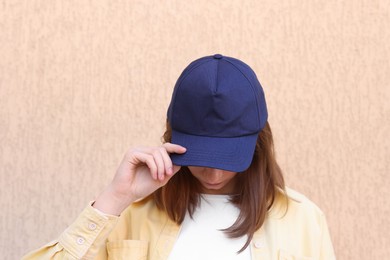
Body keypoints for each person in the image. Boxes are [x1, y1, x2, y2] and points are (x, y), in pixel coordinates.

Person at [23, 54, 335, 259]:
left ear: (257, 145)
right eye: (199, 157)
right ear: (173, 140)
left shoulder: (303, 220)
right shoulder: (130, 214)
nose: (213, 175)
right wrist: (115, 198)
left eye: (227, 159)